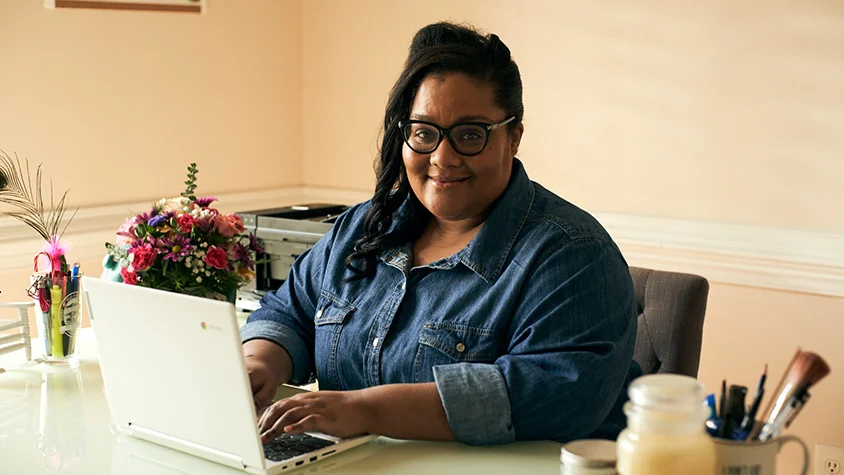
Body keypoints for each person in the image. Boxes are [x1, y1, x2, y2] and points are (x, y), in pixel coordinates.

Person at [241, 21, 642, 446]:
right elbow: (287, 313)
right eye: (424, 133)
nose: (443, 157)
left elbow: (552, 395)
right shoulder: (362, 229)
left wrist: (365, 411)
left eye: (471, 134)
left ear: (514, 136)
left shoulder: (573, 255)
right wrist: (259, 366)